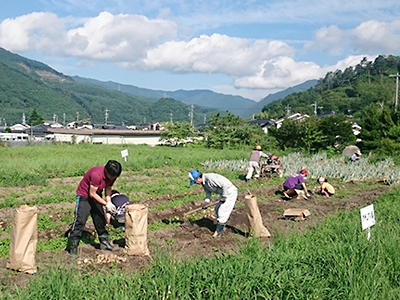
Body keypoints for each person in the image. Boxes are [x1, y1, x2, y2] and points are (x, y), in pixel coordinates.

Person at [67, 160, 122, 257]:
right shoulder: (96, 175)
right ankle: (73, 245)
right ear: (107, 172)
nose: (114, 178)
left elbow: (108, 188)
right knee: (80, 219)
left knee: (100, 218)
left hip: (97, 195)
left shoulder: (113, 175)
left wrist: (109, 202)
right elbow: (91, 194)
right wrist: (105, 204)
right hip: (84, 196)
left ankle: (104, 243)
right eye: (113, 176)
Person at [188, 170, 237, 238]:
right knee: (217, 208)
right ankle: (221, 226)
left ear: (198, 178)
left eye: (195, 181)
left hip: (229, 192)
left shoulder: (211, 178)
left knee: (222, 211)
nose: (196, 183)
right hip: (223, 193)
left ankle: (218, 232)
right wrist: (206, 202)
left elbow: (225, 185)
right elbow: (208, 192)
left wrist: (224, 196)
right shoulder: (204, 183)